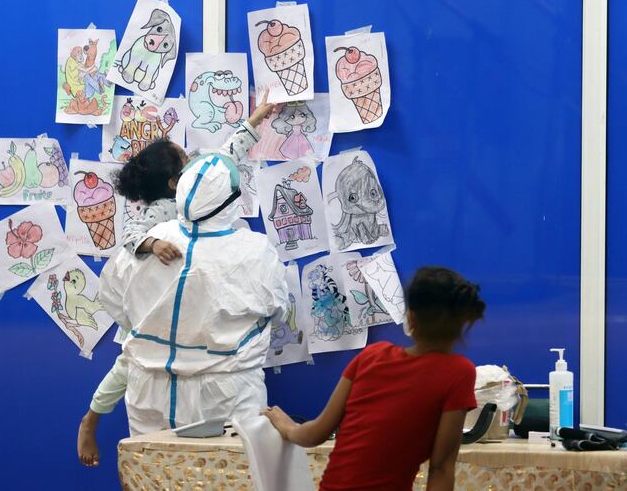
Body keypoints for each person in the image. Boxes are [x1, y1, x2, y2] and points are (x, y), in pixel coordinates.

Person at [77, 92, 276, 466]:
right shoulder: (154, 218)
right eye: (186, 159)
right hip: (150, 332)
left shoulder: (204, 202)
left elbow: (223, 157)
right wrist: (152, 245)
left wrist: (255, 120)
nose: (194, 161)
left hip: (197, 352)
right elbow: (129, 242)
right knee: (127, 363)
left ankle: (92, 417)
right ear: (174, 182)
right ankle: (90, 418)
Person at [100, 151, 287, 435]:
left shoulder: (151, 241)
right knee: (228, 475)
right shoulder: (257, 251)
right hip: (226, 392)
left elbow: (113, 300)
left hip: (150, 390)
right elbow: (279, 311)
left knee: (154, 474)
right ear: (233, 199)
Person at [262, 267, 485, 491]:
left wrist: (288, 427)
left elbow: (315, 433)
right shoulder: (459, 372)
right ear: (462, 322)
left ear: (411, 317)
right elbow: (441, 468)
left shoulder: (371, 356)